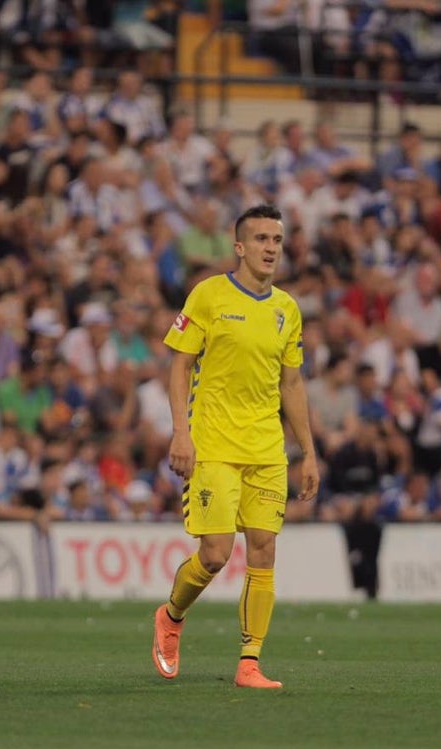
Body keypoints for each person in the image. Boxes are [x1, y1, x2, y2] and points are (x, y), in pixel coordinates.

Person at [152, 204, 319, 689]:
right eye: (262, 239)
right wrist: (180, 432)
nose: (272, 248)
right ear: (240, 246)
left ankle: (250, 663)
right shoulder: (208, 295)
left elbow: (292, 384)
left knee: (263, 551)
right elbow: (180, 365)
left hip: (267, 448)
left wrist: (308, 451)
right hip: (213, 445)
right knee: (215, 555)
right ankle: (171, 616)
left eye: (278, 239)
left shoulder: (287, 309)